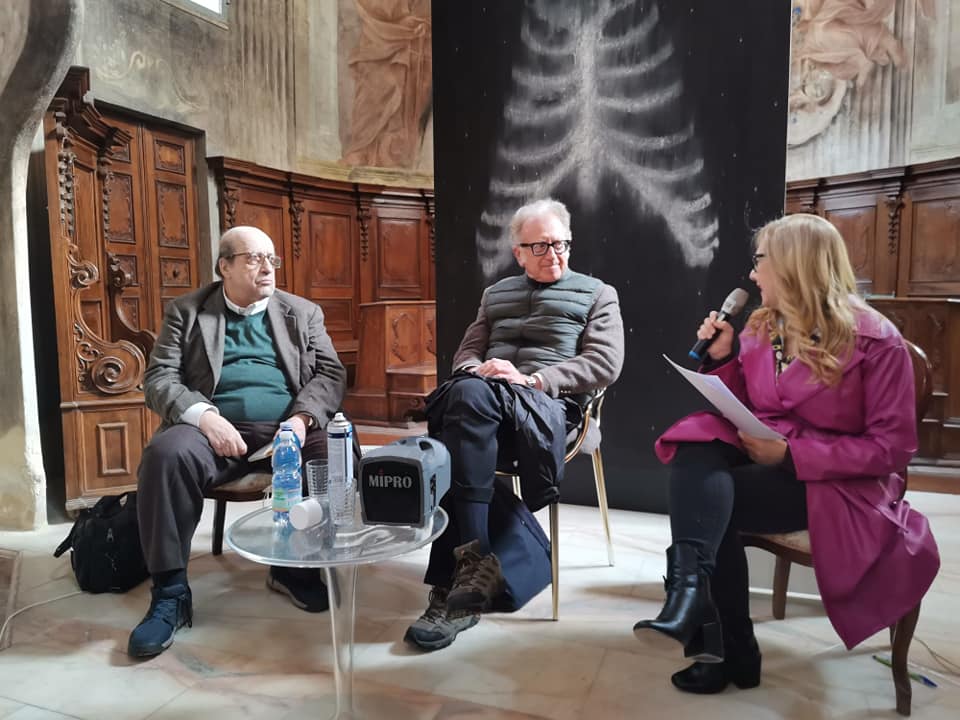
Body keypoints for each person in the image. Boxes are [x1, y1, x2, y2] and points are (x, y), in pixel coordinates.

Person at [634, 213, 940, 693]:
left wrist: (792, 455)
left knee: (712, 502)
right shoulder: (762, 327)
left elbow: (891, 449)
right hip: (768, 455)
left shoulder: (877, 341)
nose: (752, 274)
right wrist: (724, 359)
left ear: (795, 265)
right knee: (696, 453)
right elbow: (755, 405)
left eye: (760, 261)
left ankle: (724, 642)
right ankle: (691, 595)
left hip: (837, 483)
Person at [404, 198, 625, 651]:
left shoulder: (597, 293)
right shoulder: (495, 295)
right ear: (518, 252)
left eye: (561, 244)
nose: (554, 254)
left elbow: (605, 362)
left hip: (549, 408)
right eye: (540, 246)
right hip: (487, 407)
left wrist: (533, 379)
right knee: (463, 398)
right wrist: (475, 370)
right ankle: (471, 572)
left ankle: (457, 580)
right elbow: (467, 353)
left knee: (454, 418)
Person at [128, 226, 348, 658]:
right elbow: (158, 378)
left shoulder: (302, 312)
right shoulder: (187, 311)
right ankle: (170, 592)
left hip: (287, 427)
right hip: (212, 431)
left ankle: (294, 567)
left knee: (334, 451)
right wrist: (205, 417)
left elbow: (331, 373)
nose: (268, 268)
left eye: (271, 258)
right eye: (254, 258)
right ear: (224, 267)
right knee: (166, 455)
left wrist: (301, 420)